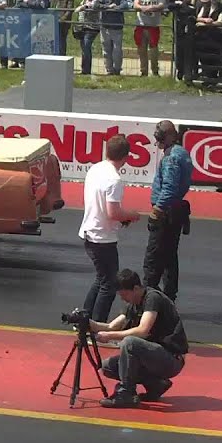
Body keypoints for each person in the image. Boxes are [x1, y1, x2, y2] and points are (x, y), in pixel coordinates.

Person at [88, 269, 189, 408]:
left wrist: (109, 336)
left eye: (125, 295)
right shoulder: (133, 304)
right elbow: (111, 326)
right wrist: (89, 324)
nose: (123, 299)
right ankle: (155, 384)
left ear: (136, 288)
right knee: (108, 367)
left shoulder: (152, 298)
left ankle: (126, 393)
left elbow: (142, 330)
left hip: (171, 358)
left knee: (130, 343)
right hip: (155, 356)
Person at [78, 135, 142, 324]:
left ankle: (84, 321)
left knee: (101, 280)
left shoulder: (96, 169)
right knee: (109, 284)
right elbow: (113, 212)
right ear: (126, 157)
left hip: (91, 231)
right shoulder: (114, 179)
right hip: (102, 238)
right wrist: (131, 215)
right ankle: (97, 328)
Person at [143, 121, 193, 300]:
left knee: (153, 258)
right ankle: (169, 296)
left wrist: (157, 210)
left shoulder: (172, 157)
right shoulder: (182, 153)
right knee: (170, 257)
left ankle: (148, 298)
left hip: (166, 212)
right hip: (175, 210)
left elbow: (169, 188)